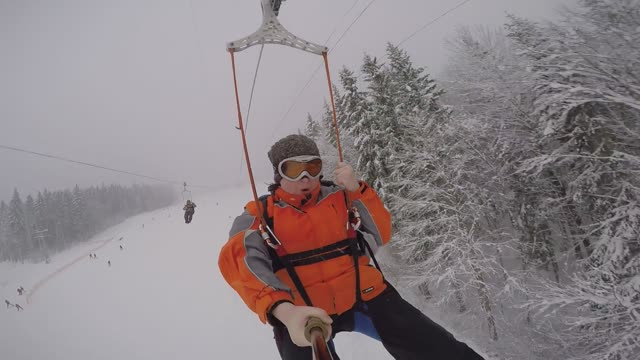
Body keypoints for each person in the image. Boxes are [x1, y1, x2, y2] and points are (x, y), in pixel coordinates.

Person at [218, 134, 484, 360]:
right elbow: (239, 261)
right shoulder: (261, 213)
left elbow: (381, 232)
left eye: (312, 166)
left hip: (365, 294)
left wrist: (358, 190)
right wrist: (283, 311)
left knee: (440, 349)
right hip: (302, 313)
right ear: (278, 174)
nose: (305, 177)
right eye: (293, 169)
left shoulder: (341, 197)